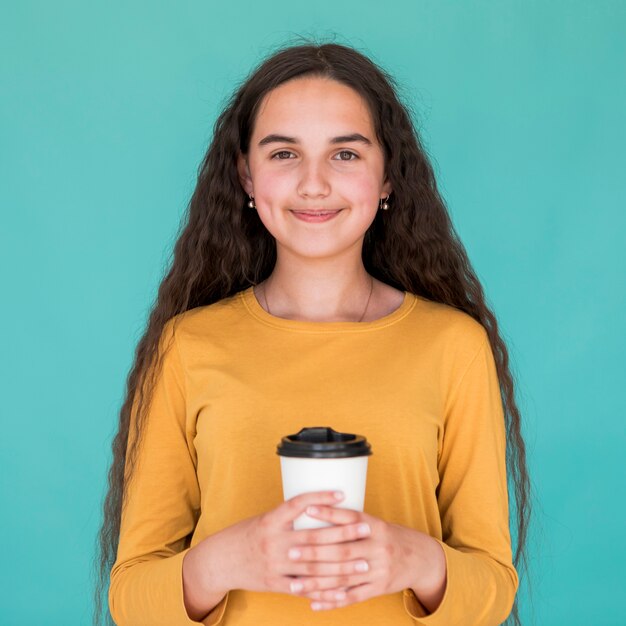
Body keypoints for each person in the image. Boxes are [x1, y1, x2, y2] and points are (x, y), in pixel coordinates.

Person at [95, 40, 531, 626]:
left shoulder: (454, 347)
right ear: (246, 177)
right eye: (283, 154)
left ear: (387, 180)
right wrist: (227, 561)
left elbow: (493, 589)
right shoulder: (186, 348)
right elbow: (131, 599)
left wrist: (416, 561)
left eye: (345, 154)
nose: (314, 183)